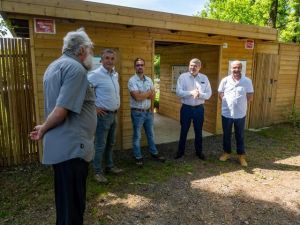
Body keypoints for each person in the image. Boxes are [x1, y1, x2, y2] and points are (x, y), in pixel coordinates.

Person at [29, 28, 96, 225]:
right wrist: (43, 129)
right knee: (74, 207)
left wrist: (45, 125)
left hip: (63, 147)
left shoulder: (53, 66)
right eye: (90, 50)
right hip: (72, 148)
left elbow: (56, 105)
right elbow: (61, 110)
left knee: (65, 204)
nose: (91, 54)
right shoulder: (76, 69)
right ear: (81, 49)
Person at [88, 49, 123, 183]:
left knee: (111, 143)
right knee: (100, 145)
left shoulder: (115, 74)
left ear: (115, 61)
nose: (109, 61)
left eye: (112, 58)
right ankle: (97, 172)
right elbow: (82, 91)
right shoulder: (94, 75)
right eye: (107, 58)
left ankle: (109, 166)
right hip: (102, 116)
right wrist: (93, 108)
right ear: (101, 60)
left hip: (114, 115)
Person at [128, 58, 166, 166]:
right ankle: (138, 156)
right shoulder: (132, 80)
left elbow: (153, 96)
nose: (140, 67)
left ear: (144, 66)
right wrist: (147, 93)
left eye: (142, 65)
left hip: (148, 112)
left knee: (151, 134)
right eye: (138, 65)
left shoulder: (149, 80)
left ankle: (154, 153)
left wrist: (145, 95)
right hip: (137, 113)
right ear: (135, 67)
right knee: (137, 136)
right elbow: (137, 97)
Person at [218, 60, 254, 167]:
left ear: (241, 68)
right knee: (226, 135)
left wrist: (239, 103)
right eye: (234, 68)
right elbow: (220, 92)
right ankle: (226, 153)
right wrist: (224, 99)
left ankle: (241, 156)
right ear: (231, 68)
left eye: (238, 67)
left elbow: (250, 95)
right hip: (226, 113)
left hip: (240, 114)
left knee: (240, 135)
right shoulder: (225, 80)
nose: (236, 70)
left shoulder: (247, 81)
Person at [175, 58, 212, 160]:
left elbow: (208, 94)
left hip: (199, 109)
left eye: (195, 66)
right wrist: (191, 93)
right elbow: (178, 92)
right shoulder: (183, 77)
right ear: (189, 66)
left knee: (198, 131)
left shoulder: (204, 78)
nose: (193, 67)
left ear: (200, 67)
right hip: (186, 108)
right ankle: (180, 152)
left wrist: (200, 94)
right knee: (184, 130)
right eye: (191, 65)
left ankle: (199, 152)